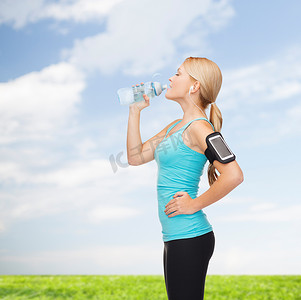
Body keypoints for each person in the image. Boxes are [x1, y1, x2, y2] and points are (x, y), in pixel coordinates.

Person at [126, 57, 244, 300]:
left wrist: (194, 203)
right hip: (174, 237)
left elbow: (233, 175)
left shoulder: (201, 128)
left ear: (194, 86)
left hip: (190, 236)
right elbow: (135, 157)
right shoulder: (174, 127)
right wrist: (135, 111)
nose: (170, 78)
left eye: (178, 74)